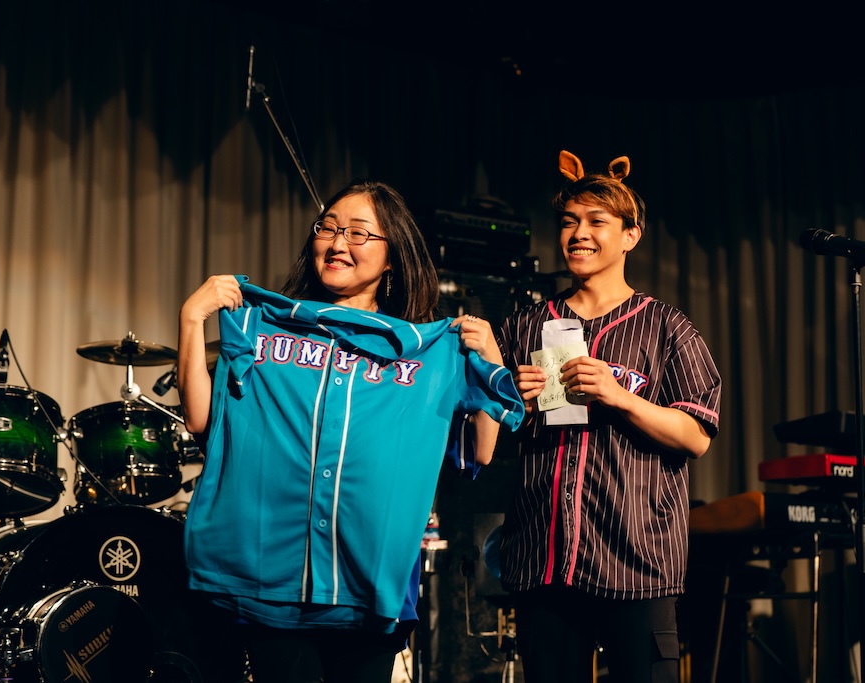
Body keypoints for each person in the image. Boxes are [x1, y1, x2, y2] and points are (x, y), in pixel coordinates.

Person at [177, 180, 524, 683]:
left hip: (369, 584)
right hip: (272, 582)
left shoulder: (427, 351)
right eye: (328, 228)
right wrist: (191, 319)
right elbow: (201, 421)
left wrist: (489, 357)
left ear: (392, 258)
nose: (338, 243)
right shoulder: (263, 327)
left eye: (359, 233)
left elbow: (480, 451)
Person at [496, 151, 722, 683]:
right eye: (569, 221)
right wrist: (510, 400)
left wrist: (622, 397)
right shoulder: (525, 326)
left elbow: (697, 436)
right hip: (544, 561)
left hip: (638, 562)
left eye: (597, 221)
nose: (579, 233)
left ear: (630, 235)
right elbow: (486, 437)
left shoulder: (667, 327)